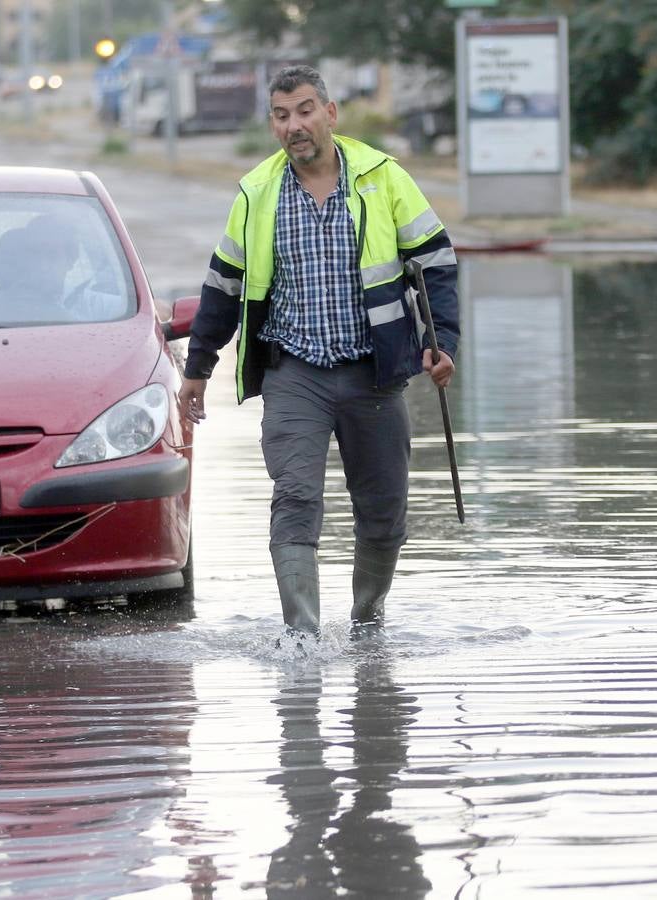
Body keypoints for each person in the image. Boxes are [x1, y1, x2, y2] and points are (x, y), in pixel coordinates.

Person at [175, 65, 459, 640]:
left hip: (374, 375)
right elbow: (222, 287)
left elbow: (437, 264)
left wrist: (440, 344)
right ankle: (302, 639)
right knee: (296, 497)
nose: (294, 126)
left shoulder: (383, 178)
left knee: (384, 513)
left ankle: (366, 620)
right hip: (293, 375)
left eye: (304, 111)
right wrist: (198, 368)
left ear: (330, 114)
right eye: (281, 116)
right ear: (272, 125)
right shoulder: (257, 193)